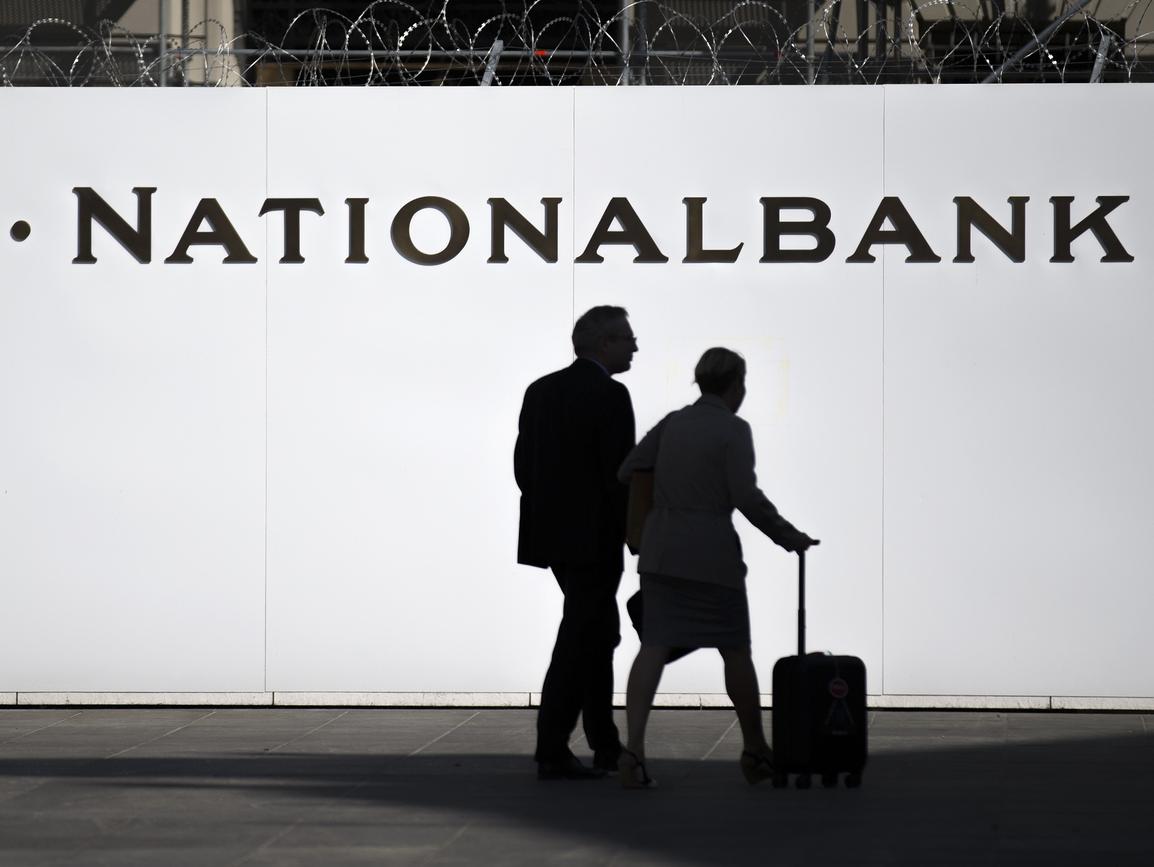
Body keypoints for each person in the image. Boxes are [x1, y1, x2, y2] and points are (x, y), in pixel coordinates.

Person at [616, 347, 817, 788]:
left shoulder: (673, 423)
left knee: (653, 647)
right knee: (735, 650)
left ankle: (633, 750)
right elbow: (746, 496)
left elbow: (628, 469)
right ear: (735, 384)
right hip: (711, 557)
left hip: (661, 553)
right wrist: (789, 536)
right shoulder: (733, 429)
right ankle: (754, 749)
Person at [514, 305, 638, 780]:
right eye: (626, 338)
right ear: (604, 344)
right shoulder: (611, 395)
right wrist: (633, 533)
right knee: (583, 636)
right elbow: (618, 475)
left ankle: (603, 743)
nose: (634, 346)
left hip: (554, 536)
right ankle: (554, 746)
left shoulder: (541, 390)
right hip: (596, 538)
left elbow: (523, 466)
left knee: (596, 630)